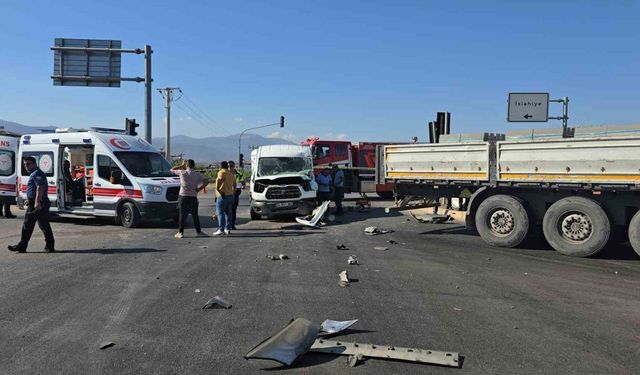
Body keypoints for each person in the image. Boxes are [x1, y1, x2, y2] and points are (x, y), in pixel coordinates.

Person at [8, 156, 55, 253]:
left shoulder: (37, 173)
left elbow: (40, 188)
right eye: (25, 164)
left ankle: (22, 245)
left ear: (34, 163)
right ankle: (50, 246)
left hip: (38, 203)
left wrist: (36, 202)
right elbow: (35, 189)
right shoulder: (35, 173)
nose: (26, 166)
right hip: (36, 202)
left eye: (28, 164)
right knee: (44, 224)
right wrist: (30, 200)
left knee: (28, 224)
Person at [171, 159, 208, 239]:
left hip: (183, 196)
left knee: (182, 215)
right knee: (195, 215)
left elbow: (172, 169)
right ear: (194, 166)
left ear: (186, 165)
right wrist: (199, 188)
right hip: (193, 197)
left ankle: (180, 232)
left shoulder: (181, 172)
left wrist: (181, 165)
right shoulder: (197, 174)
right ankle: (199, 232)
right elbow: (206, 181)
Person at [213, 161, 236, 236]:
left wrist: (218, 189)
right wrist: (233, 193)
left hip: (222, 195)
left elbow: (219, 180)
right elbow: (234, 185)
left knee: (220, 212)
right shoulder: (231, 174)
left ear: (221, 166)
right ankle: (227, 228)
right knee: (228, 213)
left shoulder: (221, 172)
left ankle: (221, 229)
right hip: (230, 195)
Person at [228, 160, 244, 230]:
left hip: (235, 193)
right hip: (227, 194)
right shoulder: (225, 174)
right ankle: (227, 225)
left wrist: (243, 185)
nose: (229, 168)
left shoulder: (238, 174)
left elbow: (242, 182)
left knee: (233, 210)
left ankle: (232, 224)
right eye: (228, 166)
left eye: (231, 166)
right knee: (227, 210)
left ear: (234, 166)